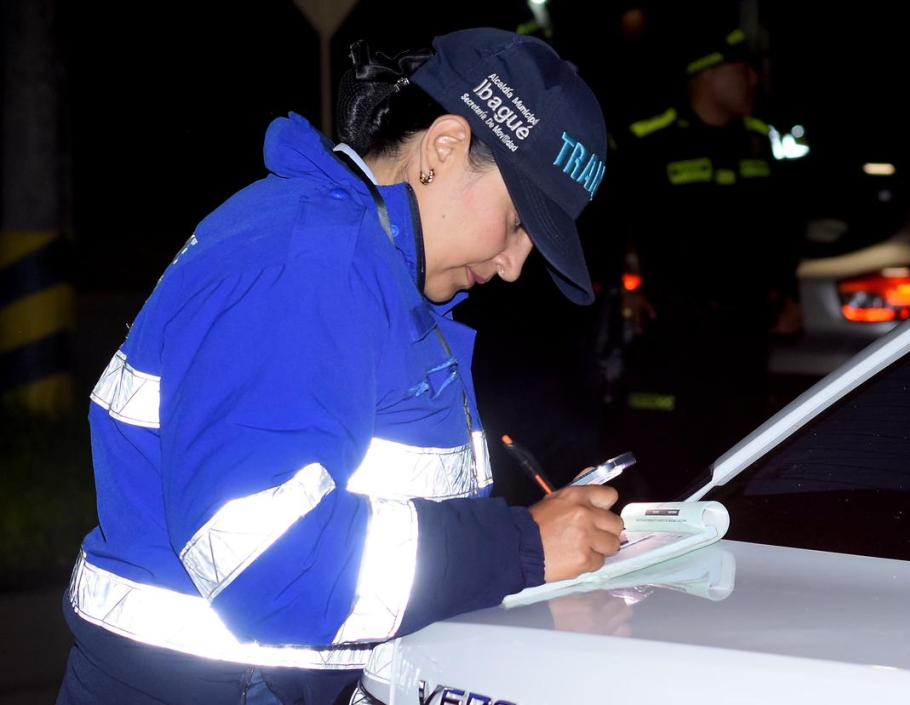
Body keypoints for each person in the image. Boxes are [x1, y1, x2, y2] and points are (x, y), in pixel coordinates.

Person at [58, 28, 623, 705]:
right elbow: (273, 563)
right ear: (443, 149)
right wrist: (521, 546)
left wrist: (523, 544)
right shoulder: (308, 265)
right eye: (519, 221)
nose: (512, 265)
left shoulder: (372, 268)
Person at [602, 27, 801, 486]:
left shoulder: (758, 140)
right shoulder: (648, 142)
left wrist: (789, 294)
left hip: (747, 329)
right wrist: (622, 293)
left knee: (742, 451)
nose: (754, 79)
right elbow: (612, 229)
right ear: (706, 75)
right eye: (742, 69)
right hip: (675, 330)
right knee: (670, 456)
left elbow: (781, 230)